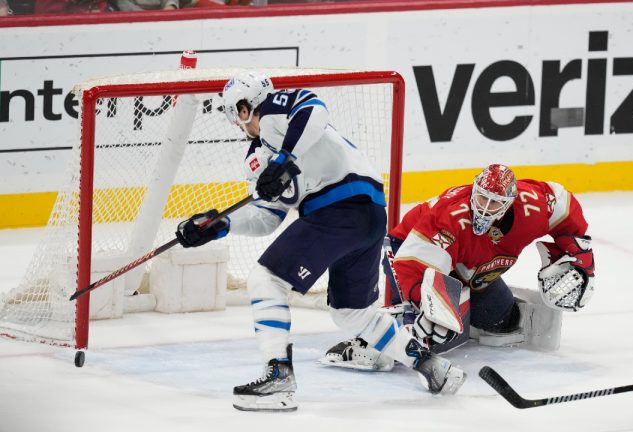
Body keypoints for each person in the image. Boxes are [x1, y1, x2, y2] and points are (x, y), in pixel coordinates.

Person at [174, 71, 466, 412]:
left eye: (235, 115)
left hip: (340, 209)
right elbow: (268, 216)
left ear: (241, 110)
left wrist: (284, 160)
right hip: (366, 216)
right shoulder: (259, 158)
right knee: (352, 313)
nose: (237, 124)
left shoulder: (274, 111)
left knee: (265, 280)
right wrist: (220, 224)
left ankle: (279, 376)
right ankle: (433, 367)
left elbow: (314, 108)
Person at [322, 164, 595, 369]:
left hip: (471, 268)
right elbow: (412, 264)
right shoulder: (451, 217)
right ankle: (373, 342)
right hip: (410, 247)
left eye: (495, 203)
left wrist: (580, 257)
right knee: (425, 328)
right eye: (482, 198)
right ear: (474, 189)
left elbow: (563, 204)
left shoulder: (532, 208)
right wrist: (426, 303)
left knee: (500, 318)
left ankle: (461, 315)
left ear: (511, 203)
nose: (485, 208)